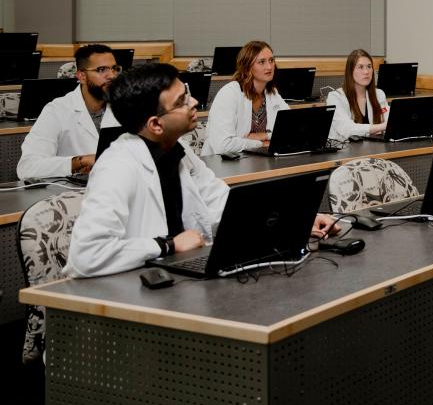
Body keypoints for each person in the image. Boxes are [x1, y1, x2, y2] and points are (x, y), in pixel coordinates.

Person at [65, 63, 338, 278]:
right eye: (182, 101)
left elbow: (223, 203)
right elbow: (87, 255)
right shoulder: (117, 167)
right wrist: (167, 245)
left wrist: (299, 220)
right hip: (133, 294)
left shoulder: (179, 152)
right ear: (155, 124)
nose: (194, 102)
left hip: (180, 277)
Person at [17, 44, 121, 180]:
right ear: (82, 76)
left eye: (114, 69)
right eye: (101, 70)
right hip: (72, 194)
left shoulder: (125, 106)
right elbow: (27, 168)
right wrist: (81, 161)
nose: (112, 76)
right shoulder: (57, 110)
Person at [201, 40, 289, 155]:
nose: (269, 66)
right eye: (261, 62)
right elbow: (223, 146)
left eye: (271, 60)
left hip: (256, 161)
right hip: (221, 164)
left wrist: (265, 135)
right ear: (247, 67)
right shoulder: (229, 93)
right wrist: (261, 143)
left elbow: (289, 131)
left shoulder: (272, 93)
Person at [327, 49, 389, 142]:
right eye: (360, 67)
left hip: (374, 149)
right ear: (350, 71)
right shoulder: (335, 97)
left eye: (369, 66)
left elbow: (390, 120)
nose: (366, 72)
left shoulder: (379, 94)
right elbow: (347, 129)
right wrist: (381, 127)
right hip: (345, 153)